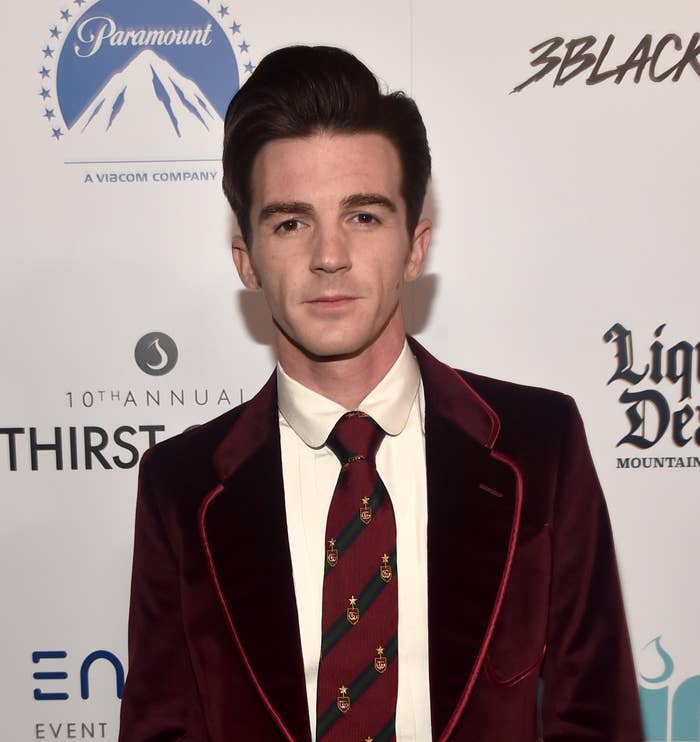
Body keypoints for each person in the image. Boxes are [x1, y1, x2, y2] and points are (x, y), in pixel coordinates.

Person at [118, 45, 644, 741]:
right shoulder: (182, 487)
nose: (329, 254)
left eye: (363, 216)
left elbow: (596, 719)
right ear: (246, 258)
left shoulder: (540, 446)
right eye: (290, 221)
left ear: (416, 245)